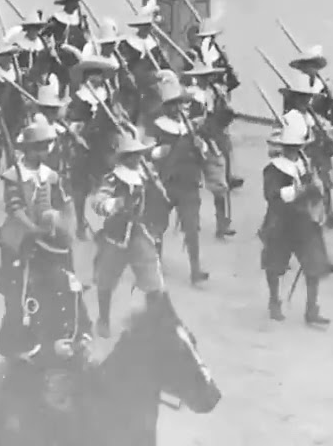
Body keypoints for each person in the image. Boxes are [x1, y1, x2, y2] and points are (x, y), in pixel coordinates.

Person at [0, 116, 90, 446]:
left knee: (63, 277)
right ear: (28, 148)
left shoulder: (51, 175)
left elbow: (63, 203)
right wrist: (30, 228)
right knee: (19, 287)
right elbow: (15, 206)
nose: (42, 151)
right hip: (21, 235)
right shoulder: (12, 175)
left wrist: (61, 225)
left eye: (44, 146)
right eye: (37, 147)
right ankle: (18, 341)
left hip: (49, 235)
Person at [88, 131, 168, 337]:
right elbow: (98, 202)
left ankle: (154, 321)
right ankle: (103, 319)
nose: (136, 158)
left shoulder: (147, 175)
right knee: (106, 278)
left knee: (152, 277)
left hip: (140, 231)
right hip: (117, 233)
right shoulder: (113, 178)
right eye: (131, 155)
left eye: (139, 154)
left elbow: (157, 200)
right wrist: (115, 204)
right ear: (124, 157)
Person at [259, 112, 333, 326]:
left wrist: (315, 191)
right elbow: (272, 195)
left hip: (304, 221)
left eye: (297, 146)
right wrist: (300, 191)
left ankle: (312, 309)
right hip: (281, 222)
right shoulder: (273, 169)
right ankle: (274, 301)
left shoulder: (304, 164)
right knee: (275, 265)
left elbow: (315, 188)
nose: (294, 151)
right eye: (290, 147)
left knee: (314, 265)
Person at [149, 77, 210, 284]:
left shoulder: (189, 127)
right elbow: (144, 152)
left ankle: (195, 269)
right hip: (164, 183)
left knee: (192, 227)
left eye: (179, 103)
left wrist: (200, 145)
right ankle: (155, 263)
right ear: (165, 106)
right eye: (172, 104)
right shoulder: (155, 126)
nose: (176, 108)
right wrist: (158, 152)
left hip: (188, 182)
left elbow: (203, 152)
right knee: (157, 225)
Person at [64, 55, 121, 240]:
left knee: (109, 184)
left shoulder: (109, 95)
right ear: (86, 77)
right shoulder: (79, 97)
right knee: (80, 185)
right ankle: (80, 222)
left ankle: (108, 224)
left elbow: (114, 120)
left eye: (99, 75)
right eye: (92, 76)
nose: (96, 79)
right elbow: (72, 121)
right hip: (84, 145)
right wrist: (77, 134)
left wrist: (119, 124)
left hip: (104, 146)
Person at [279, 73, 333, 229]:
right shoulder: (290, 117)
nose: (304, 101)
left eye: (306, 98)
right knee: (292, 190)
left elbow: (332, 119)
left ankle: (324, 216)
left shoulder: (311, 114)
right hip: (297, 155)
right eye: (300, 98)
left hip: (314, 153)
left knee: (323, 184)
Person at [184, 61, 236, 238]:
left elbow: (222, 114)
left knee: (219, 183)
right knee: (188, 184)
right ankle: (190, 221)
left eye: (208, 76)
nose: (206, 80)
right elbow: (190, 119)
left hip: (212, 138)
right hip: (195, 138)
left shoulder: (214, 92)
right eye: (202, 77)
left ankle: (222, 222)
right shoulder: (191, 95)